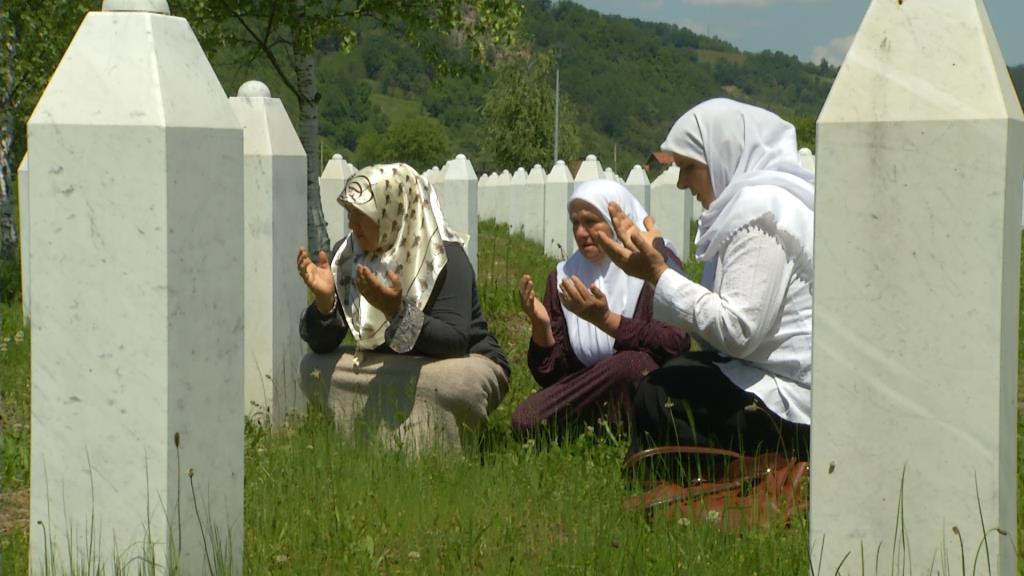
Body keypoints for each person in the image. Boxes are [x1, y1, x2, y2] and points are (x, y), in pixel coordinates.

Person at [595, 98, 814, 458]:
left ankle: (698, 488)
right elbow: (720, 340)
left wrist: (660, 275)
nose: (681, 182)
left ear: (722, 155)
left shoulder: (760, 214)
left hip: (791, 402)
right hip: (768, 378)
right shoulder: (751, 207)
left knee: (659, 393)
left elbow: (738, 332)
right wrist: (658, 272)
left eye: (689, 167)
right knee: (673, 376)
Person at [297, 163, 509, 453]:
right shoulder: (348, 254)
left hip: (455, 361)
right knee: (313, 367)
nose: (351, 224)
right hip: (390, 365)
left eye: (361, 215)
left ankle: (437, 449)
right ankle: (371, 443)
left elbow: (455, 342)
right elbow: (321, 345)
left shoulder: (444, 256)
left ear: (391, 211)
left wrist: (397, 312)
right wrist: (324, 304)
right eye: (350, 214)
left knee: (456, 385)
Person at [511, 179, 690, 436]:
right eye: (575, 223)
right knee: (524, 419)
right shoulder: (564, 276)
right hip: (590, 386)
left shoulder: (653, 264)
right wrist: (542, 328)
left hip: (650, 384)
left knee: (630, 365)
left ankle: (602, 425)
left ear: (615, 221)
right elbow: (553, 377)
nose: (581, 232)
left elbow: (676, 342)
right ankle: (599, 424)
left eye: (591, 221)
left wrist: (607, 320)